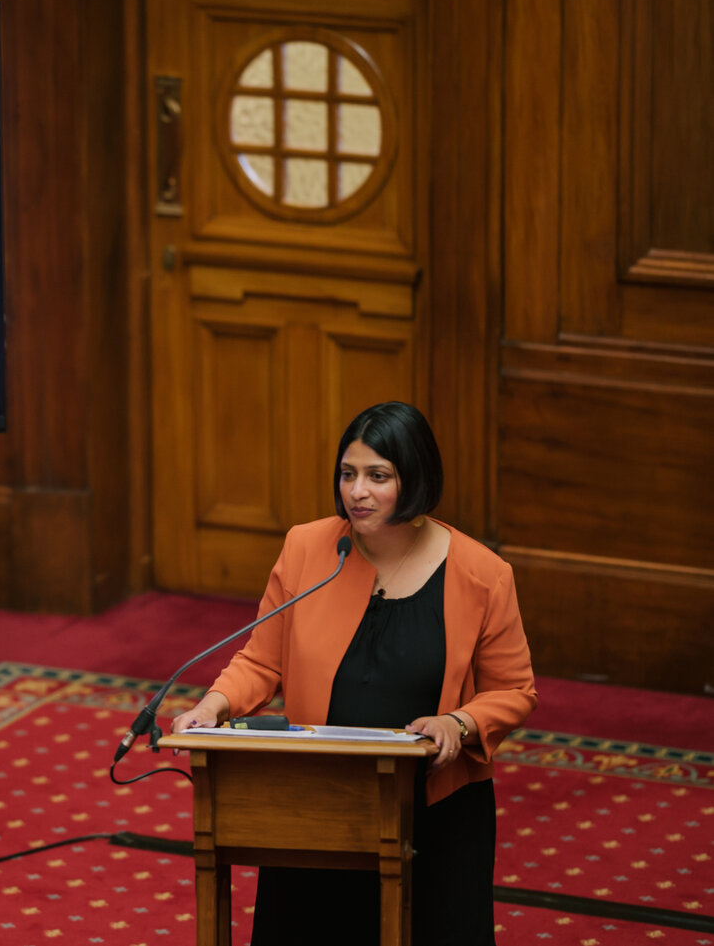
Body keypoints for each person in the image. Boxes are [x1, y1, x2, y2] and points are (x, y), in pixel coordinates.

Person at [170, 401, 536, 945]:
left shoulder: (483, 575)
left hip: (432, 812)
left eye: (377, 476)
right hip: (319, 798)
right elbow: (263, 659)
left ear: (414, 478)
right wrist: (213, 706)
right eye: (348, 473)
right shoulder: (308, 548)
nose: (356, 491)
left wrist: (458, 725)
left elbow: (514, 690)